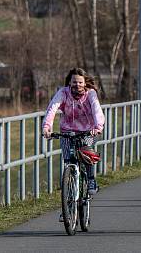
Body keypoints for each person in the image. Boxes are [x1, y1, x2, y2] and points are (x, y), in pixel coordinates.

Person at [42, 68, 105, 221]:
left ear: (85, 83)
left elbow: (97, 110)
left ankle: (90, 179)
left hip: (87, 131)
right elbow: (52, 108)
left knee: (87, 154)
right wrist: (47, 127)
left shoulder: (91, 94)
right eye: (74, 82)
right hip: (67, 132)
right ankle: (67, 207)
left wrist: (98, 127)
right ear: (69, 82)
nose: (77, 85)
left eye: (80, 82)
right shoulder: (63, 93)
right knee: (69, 163)